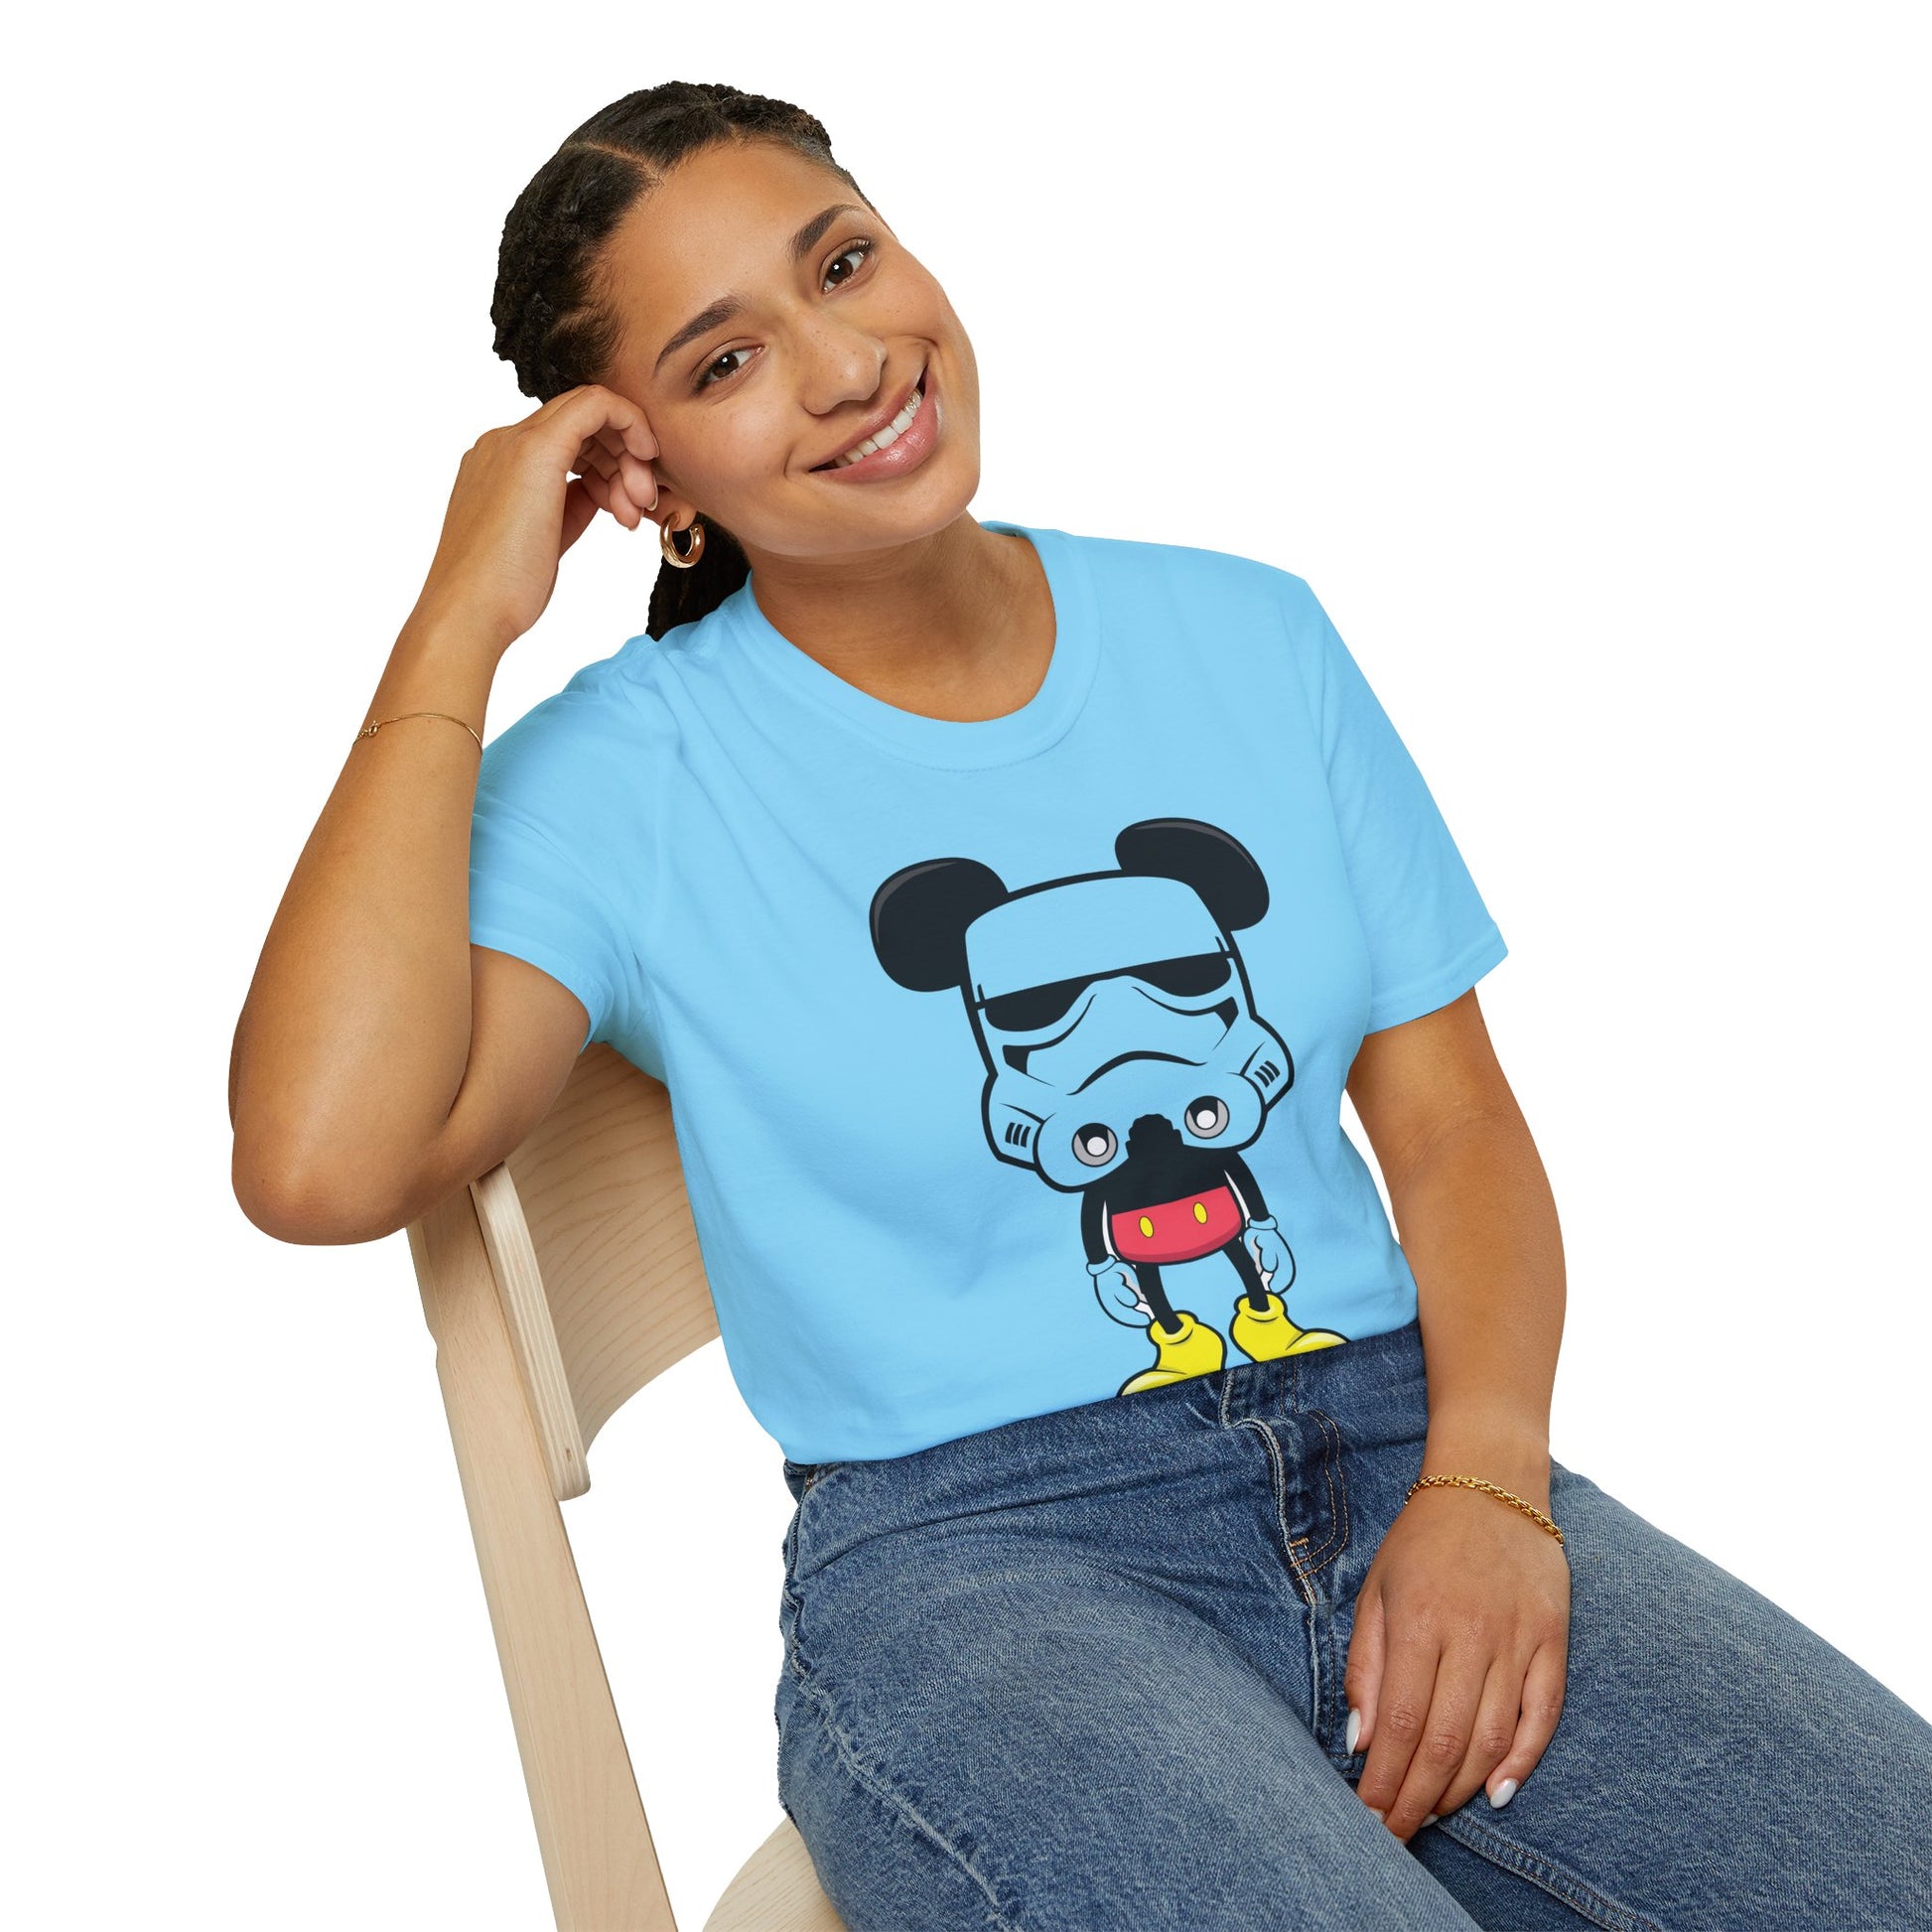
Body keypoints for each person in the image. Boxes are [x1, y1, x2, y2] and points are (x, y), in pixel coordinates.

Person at [228, 81, 1932, 1931]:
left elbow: (1451, 1126)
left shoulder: (1249, 636)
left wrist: (1490, 1483)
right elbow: (319, 1162)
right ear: (650, 480)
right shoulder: (629, 776)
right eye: (726, 361)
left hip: (1406, 1442)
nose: (847, 365)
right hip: (981, 1563)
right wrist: (457, 619)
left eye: (843, 264)